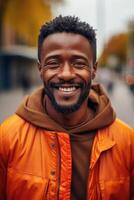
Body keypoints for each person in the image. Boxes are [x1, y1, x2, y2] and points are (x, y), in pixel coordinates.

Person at [0, 15, 134, 200]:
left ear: (94, 69)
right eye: (53, 63)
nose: (66, 74)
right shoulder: (6, 138)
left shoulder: (127, 143)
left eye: (78, 63)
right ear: (40, 69)